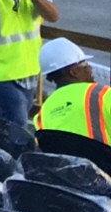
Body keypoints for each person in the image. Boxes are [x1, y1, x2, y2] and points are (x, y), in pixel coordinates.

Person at [34, 38, 111, 171]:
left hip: (69, 179)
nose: (90, 68)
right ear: (73, 72)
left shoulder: (43, 112)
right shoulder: (103, 94)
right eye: (85, 64)